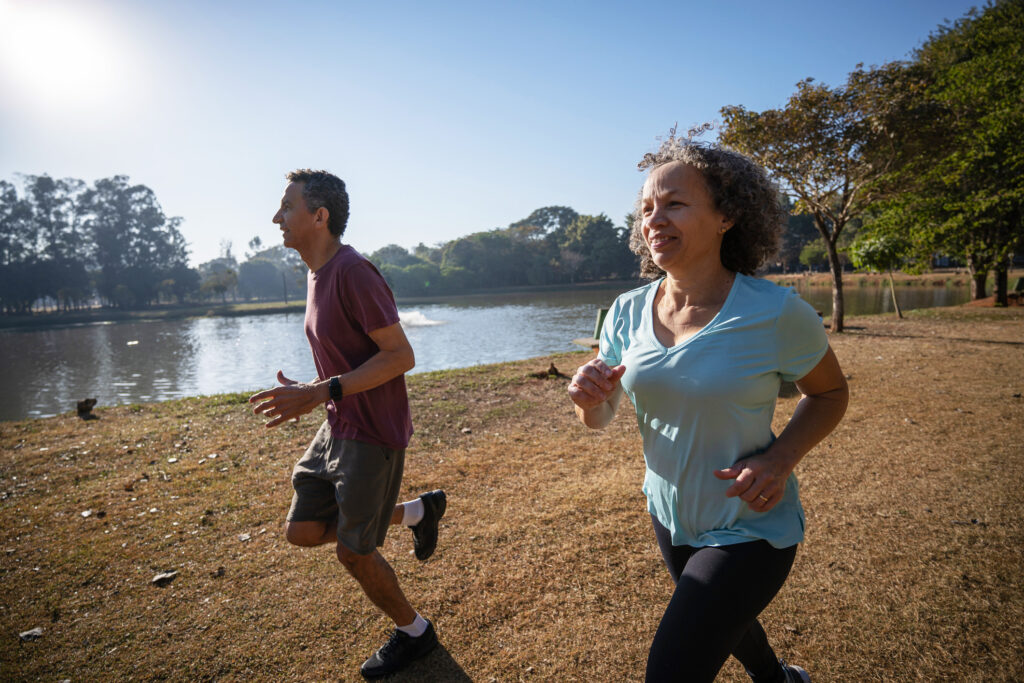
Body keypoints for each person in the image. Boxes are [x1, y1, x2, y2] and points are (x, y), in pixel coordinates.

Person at [567, 138, 848, 683]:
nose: (654, 220)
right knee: (728, 621)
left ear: (726, 217)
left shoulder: (775, 312)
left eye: (674, 203)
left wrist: (782, 456)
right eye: (646, 208)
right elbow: (600, 418)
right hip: (670, 514)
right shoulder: (626, 310)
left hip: (749, 523)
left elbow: (831, 393)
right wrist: (591, 400)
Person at [249, 169, 447, 680]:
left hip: (371, 431)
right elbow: (349, 355)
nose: (276, 218)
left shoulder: (353, 272)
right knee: (301, 530)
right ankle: (418, 513)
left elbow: (400, 356)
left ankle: (415, 633)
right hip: (337, 425)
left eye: (286, 207)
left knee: (354, 552)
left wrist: (319, 392)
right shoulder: (318, 275)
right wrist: (316, 390)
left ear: (320, 216)